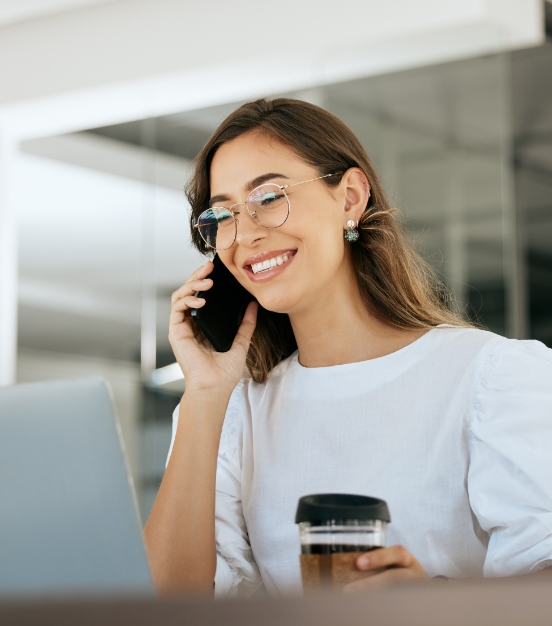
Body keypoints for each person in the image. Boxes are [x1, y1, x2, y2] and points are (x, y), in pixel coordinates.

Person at [143, 98, 552, 597]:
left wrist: (440, 603)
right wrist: (205, 396)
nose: (245, 233)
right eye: (221, 214)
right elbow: (169, 601)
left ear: (351, 198)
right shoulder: (231, 411)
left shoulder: (491, 378)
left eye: (269, 196)